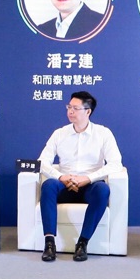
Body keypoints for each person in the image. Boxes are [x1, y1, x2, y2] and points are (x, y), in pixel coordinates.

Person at [37, 91, 122, 262]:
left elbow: (115, 163)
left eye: (75, 108)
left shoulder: (103, 133)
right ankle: (49, 243)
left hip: (89, 186)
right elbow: (42, 162)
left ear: (88, 111)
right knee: (48, 185)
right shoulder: (59, 133)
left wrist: (88, 178)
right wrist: (61, 177)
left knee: (102, 190)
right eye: (69, 107)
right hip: (64, 184)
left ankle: (82, 243)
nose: (70, 111)